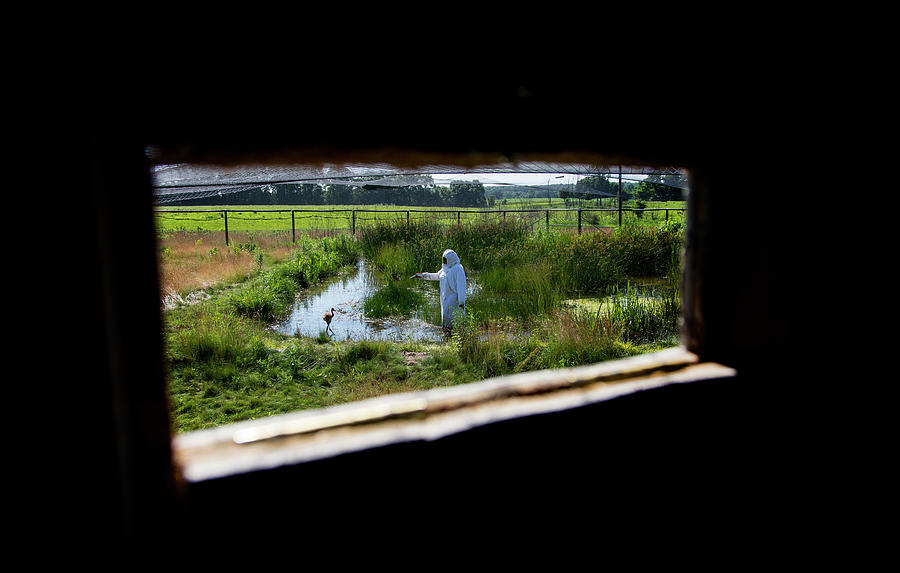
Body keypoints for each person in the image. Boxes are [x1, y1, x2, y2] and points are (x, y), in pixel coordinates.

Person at [413, 249, 466, 330]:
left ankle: (458, 337)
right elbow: (437, 276)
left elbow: (461, 286)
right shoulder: (445, 269)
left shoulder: (458, 269)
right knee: (446, 325)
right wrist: (422, 275)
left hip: (454, 302)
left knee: (456, 325)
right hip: (445, 300)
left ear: (451, 259)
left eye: (445, 260)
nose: (444, 261)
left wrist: (461, 303)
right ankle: (446, 338)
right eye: (443, 259)